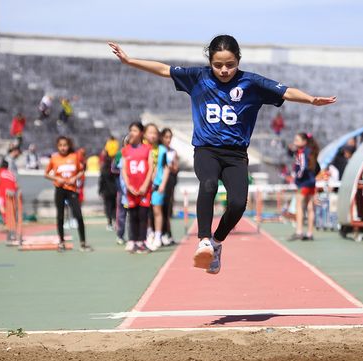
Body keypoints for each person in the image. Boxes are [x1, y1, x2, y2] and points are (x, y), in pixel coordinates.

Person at [108, 35, 336, 273]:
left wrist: (311, 100)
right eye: (218, 65)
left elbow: (286, 92)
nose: (224, 70)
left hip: (236, 155)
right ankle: (204, 240)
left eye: (230, 64)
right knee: (208, 184)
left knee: (238, 204)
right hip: (206, 150)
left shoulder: (251, 83)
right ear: (210, 61)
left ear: (238, 60)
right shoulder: (198, 77)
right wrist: (130, 61)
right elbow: (165, 70)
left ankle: (216, 243)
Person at [44, 136, 93, 252]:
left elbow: (82, 171)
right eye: (60, 145)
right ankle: (61, 242)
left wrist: (74, 178)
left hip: (71, 190)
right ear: (57, 146)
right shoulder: (54, 158)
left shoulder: (74, 157)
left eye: (65, 145)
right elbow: (46, 174)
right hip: (60, 189)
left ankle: (83, 242)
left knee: (78, 215)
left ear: (68, 146)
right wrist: (56, 178)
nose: (63, 148)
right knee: (60, 216)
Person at [121, 122, 154, 254]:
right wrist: (128, 185)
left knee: (143, 215)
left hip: (144, 189)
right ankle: (133, 240)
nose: (132, 133)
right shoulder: (126, 150)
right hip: (131, 189)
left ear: (141, 133)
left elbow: (151, 167)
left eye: (134, 130)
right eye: (130, 130)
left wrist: (146, 185)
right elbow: (123, 169)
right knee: (132, 214)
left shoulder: (148, 149)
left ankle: (142, 241)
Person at [289, 133, 320, 241]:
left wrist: (297, 177)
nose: (295, 141)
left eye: (297, 140)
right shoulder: (311, 151)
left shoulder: (302, 152)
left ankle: (299, 231)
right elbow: (317, 167)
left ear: (304, 142)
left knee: (299, 206)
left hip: (303, 183)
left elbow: (303, 167)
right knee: (310, 207)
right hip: (311, 182)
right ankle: (310, 233)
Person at [145, 123, 170, 250]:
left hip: (158, 184)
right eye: (150, 132)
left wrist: (163, 184)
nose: (152, 135)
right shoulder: (143, 149)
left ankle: (158, 235)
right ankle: (149, 233)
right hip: (145, 185)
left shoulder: (162, 150)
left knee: (157, 210)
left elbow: (166, 168)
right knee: (145, 211)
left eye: (155, 133)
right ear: (144, 134)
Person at [160, 128, 179, 246]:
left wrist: (170, 167)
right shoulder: (158, 150)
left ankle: (167, 233)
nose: (168, 140)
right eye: (166, 137)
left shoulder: (173, 152)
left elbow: (176, 168)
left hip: (169, 183)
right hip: (158, 181)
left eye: (169, 137)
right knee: (157, 209)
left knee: (167, 209)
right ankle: (158, 233)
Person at [0, 160, 18, 228]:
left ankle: (6, 220)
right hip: (12, 190)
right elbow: (16, 185)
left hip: (3, 191)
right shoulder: (10, 172)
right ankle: (11, 221)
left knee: (1, 206)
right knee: (10, 207)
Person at [98, 150, 117, 231]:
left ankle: (109, 223)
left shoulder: (103, 169)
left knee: (108, 207)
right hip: (113, 190)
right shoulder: (113, 170)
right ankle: (115, 221)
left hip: (106, 191)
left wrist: (100, 191)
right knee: (113, 206)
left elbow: (101, 181)